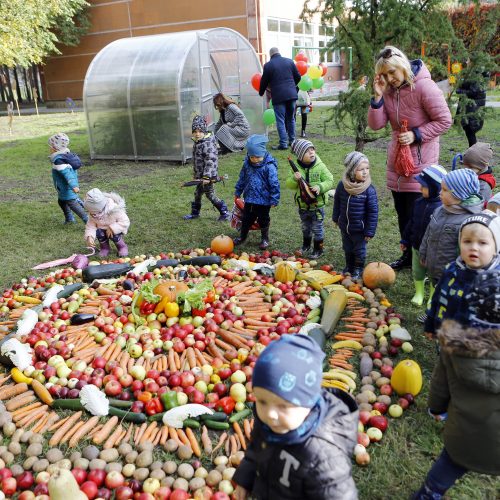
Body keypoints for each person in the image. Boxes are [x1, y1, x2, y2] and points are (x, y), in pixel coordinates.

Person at [413, 231, 500, 500]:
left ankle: (429, 494)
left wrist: (436, 408)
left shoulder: (453, 348)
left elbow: (439, 384)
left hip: (464, 437)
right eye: (468, 241)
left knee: (448, 467)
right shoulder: (457, 273)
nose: (473, 247)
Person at [232, 334, 359, 500]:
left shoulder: (322, 454)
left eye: (283, 406)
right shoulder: (268, 424)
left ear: (309, 402)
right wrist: (245, 479)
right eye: (262, 401)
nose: (270, 414)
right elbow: (256, 449)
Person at [368, 46, 452, 270]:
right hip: (398, 162)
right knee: (403, 216)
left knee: (420, 218)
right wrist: (377, 96)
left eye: (392, 72)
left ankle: (425, 261)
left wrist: (416, 135)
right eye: (384, 75)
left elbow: (444, 120)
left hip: (421, 164)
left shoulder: (424, 87)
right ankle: (408, 258)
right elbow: (376, 125)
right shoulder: (387, 90)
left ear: (403, 66)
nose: (389, 79)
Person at [419, 169, 484, 322]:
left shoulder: (470, 220)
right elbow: (429, 233)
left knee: (451, 296)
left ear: (459, 194)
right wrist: (423, 253)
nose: (440, 193)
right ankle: (433, 312)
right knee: (437, 291)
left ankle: (447, 319)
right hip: (435, 264)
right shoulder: (441, 210)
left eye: (445, 190)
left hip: (454, 272)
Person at [423, 211, 500, 337]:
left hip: (474, 348)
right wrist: (430, 323)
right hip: (445, 336)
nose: (474, 247)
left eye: (482, 243)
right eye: (467, 241)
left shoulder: (495, 283)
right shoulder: (451, 270)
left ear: (495, 249)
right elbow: (437, 298)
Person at [401, 165, 447, 307]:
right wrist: (405, 239)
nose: (420, 189)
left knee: (434, 273)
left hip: (433, 250)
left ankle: (433, 297)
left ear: (435, 188)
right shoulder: (418, 202)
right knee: (417, 271)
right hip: (416, 246)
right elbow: (411, 222)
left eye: (424, 186)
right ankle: (419, 293)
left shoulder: (442, 209)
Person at [332, 152, 378, 279]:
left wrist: (369, 231)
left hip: (360, 229)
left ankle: (358, 268)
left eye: (367, 169)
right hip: (345, 226)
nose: (365, 172)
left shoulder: (369, 190)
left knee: (359, 250)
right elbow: (337, 201)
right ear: (351, 171)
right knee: (347, 248)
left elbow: (373, 212)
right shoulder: (343, 185)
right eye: (361, 169)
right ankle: (349, 266)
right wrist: (336, 218)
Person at [287, 139, 334, 259]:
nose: (312, 152)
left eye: (312, 149)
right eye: (307, 151)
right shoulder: (295, 168)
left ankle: (318, 249)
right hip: (303, 206)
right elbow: (289, 185)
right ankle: (306, 245)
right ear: (300, 155)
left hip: (317, 206)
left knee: (317, 228)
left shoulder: (320, 166)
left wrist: (320, 186)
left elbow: (330, 180)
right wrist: (294, 179)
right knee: (305, 227)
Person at [233, 135, 280, 249]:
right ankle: (242, 237)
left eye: (258, 157)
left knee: (263, 219)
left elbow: (274, 183)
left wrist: (274, 198)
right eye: (252, 157)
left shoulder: (269, 167)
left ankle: (264, 238)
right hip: (249, 198)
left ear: (263, 153)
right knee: (246, 219)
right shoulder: (247, 165)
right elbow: (242, 178)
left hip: (264, 201)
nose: (255, 159)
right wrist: (238, 191)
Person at [184, 115, 230, 221]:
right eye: (195, 131)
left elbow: (210, 162)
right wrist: (197, 175)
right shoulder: (198, 142)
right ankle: (195, 213)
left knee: (210, 195)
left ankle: (225, 212)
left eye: (200, 131)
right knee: (197, 193)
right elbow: (198, 161)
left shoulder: (207, 144)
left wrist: (206, 177)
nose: (197, 134)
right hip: (200, 177)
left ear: (204, 131)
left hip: (207, 177)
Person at [259, 47, 301, 150]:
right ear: (279, 52)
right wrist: (291, 86)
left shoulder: (268, 65)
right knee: (291, 118)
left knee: (280, 120)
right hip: (291, 95)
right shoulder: (289, 62)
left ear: (270, 55)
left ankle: (283, 143)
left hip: (279, 96)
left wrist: (261, 92)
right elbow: (298, 77)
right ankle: (292, 141)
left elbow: (264, 81)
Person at [49, 132, 88, 225]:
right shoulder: (64, 155)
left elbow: (67, 174)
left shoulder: (59, 161)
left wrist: (74, 185)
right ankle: (69, 218)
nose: (49, 148)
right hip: (63, 188)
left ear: (55, 147)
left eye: (50, 146)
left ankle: (88, 221)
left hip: (67, 187)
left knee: (73, 204)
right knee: (61, 201)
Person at [83, 188, 130, 257]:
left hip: (114, 230)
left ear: (100, 209)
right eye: (91, 212)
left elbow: (125, 221)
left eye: (94, 213)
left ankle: (122, 247)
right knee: (99, 232)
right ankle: (105, 248)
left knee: (114, 235)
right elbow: (90, 226)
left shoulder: (115, 210)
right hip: (102, 229)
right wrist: (90, 236)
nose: (93, 215)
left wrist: (113, 228)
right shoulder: (92, 214)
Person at [456, 59, 488, 147]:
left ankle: (474, 155)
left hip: (473, 108)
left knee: (470, 131)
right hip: (469, 108)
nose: (466, 62)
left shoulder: (477, 75)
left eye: (468, 60)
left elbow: (474, 92)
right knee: (468, 130)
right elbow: (462, 87)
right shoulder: (470, 73)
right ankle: (473, 153)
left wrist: (460, 91)